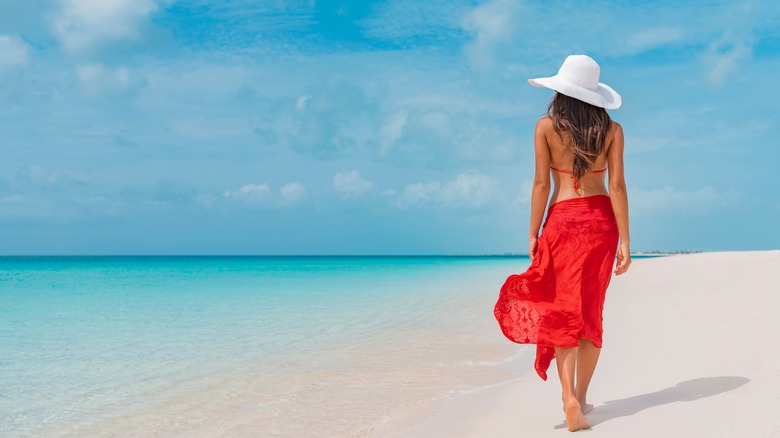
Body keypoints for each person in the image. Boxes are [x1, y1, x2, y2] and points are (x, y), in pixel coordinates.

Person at [493, 54, 631, 432]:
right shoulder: (613, 130)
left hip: (562, 222)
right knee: (590, 312)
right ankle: (582, 398)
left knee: (562, 312)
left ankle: (569, 396)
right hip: (601, 225)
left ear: (561, 91)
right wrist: (627, 243)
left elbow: (541, 184)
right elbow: (616, 186)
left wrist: (533, 232)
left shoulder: (545, 128)